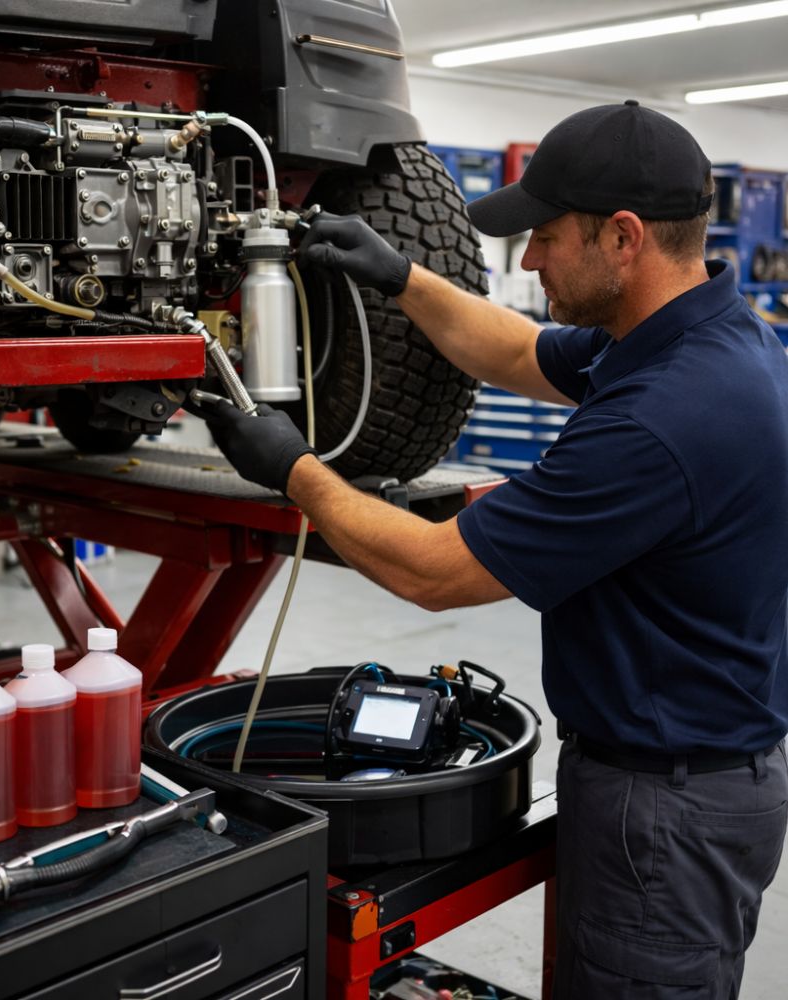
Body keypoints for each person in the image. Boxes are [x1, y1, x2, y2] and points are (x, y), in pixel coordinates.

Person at [198, 100, 788, 998]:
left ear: (621, 238)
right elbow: (519, 351)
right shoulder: (706, 337)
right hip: (701, 774)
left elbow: (435, 571)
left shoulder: (662, 421)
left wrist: (296, 471)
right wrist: (403, 277)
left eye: (547, 235)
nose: (530, 258)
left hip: (665, 810)